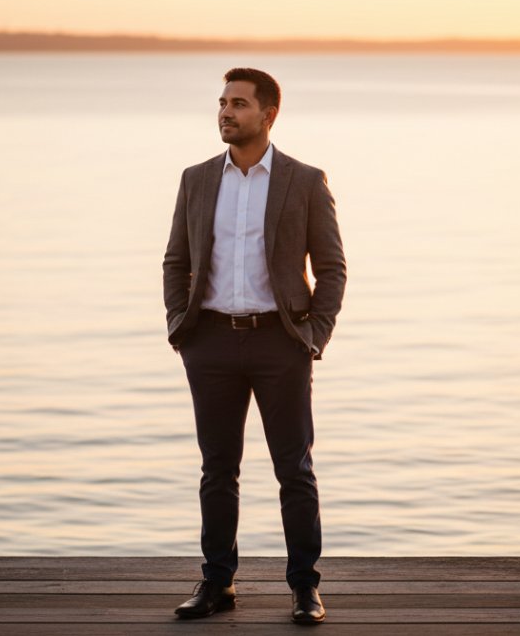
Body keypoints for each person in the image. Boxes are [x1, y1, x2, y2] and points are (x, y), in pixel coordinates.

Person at [162, 67, 347, 624]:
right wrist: (180, 327)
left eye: (238, 103)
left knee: (294, 469)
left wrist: (314, 335)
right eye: (221, 102)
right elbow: (176, 260)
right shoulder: (196, 179)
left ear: (268, 115)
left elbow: (332, 267)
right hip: (211, 341)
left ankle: (304, 587)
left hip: (281, 343)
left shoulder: (304, 180)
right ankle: (217, 582)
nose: (225, 112)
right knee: (217, 469)